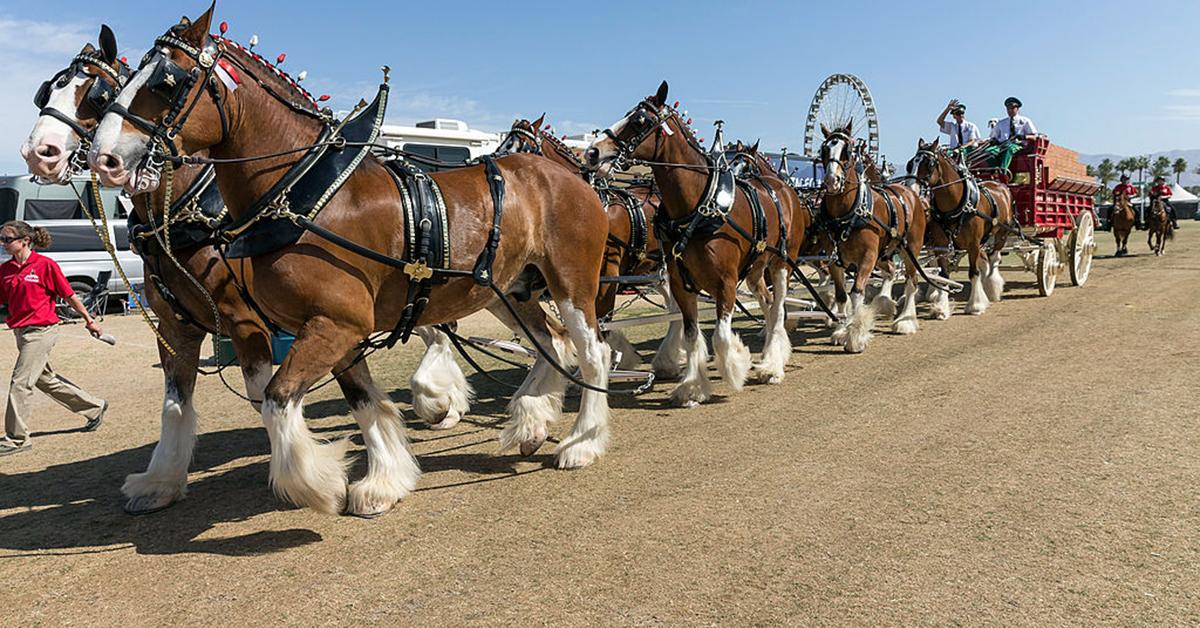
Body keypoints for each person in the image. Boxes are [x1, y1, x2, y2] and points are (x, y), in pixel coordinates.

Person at [0, 221, 107, 456]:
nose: (3, 244)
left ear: (24, 241)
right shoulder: (5, 270)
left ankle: (17, 439)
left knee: (20, 382)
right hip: (21, 332)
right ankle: (94, 407)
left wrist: (89, 320)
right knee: (44, 380)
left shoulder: (44, 265)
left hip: (42, 331)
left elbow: (69, 296)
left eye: (7, 239)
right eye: (2, 240)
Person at [987, 97, 1039, 174]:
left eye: (1012, 108)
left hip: (1017, 145)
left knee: (1008, 148)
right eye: (1008, 108)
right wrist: (994, 141)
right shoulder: (1001, 123)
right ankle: (995, 170)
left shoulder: (1025, 121)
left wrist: (1023, 137)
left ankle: (1002, 172)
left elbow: (1035, 137)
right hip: (1002, 145)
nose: (1010, 110)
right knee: (989, 151)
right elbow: (993, 137)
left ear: (1017, 109)